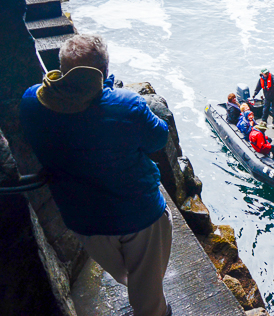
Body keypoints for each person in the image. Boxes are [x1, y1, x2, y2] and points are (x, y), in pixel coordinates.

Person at [20, 34, 173, 316]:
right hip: (139, 215)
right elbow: (158, 138)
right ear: (103, 71)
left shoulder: (33, 101)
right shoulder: (127, 105)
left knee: (126, 275)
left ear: (62, 69)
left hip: (83, 220)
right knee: (147, 289)